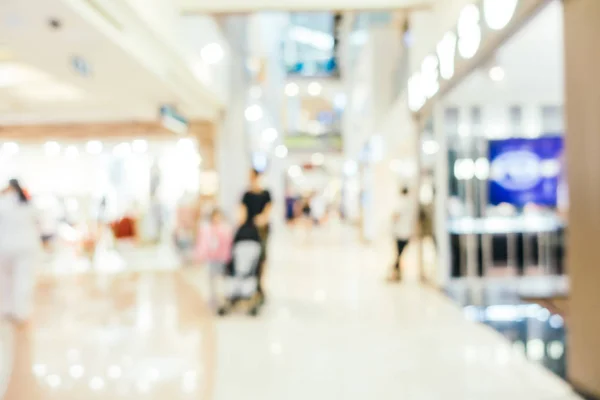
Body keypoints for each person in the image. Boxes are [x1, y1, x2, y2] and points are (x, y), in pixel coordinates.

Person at [0, 179, 41, 324]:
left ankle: (6, 309)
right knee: (23, 279)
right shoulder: (28, 204)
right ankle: (21, 312)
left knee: (5, 280)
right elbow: (39, 223)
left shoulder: (3, 203)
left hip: (4, 247)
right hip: (25, 247)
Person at [238, 169, 272, 302]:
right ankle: (247, 284)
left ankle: (259, 285)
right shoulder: (246, 194)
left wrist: (262, 219)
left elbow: (268, 210)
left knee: (261, 257)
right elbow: (242, 212)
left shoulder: (266, 193)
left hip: (262, 231)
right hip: (248, 230)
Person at [196, 209, 232, 311]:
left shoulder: (225, 229)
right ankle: (213, 300)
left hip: (222, 259)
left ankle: (223, 300)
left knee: (222, 281)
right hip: (212, 258)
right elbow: (203, 244)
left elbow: (229, 244)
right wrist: (200, 256)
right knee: (212, 281)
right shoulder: (207, 229)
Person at [388, 186, 416, 282]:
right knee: (400, 255)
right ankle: (397, 274)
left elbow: (395, 215)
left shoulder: (401, 203)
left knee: (398, 255)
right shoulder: (410, 204)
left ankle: (395, 274)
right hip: (407, 232)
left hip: (400, 233)